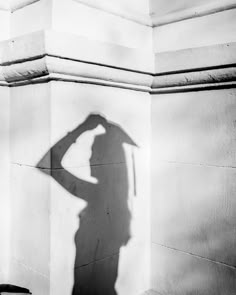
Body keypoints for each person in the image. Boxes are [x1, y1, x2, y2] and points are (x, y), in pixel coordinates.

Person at [37, 114, 137, 295]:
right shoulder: (114, 200)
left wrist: (80, 129)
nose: (89, 158)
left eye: (94, 152)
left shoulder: (97, 195)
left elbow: (47, 164)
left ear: (107, 159)